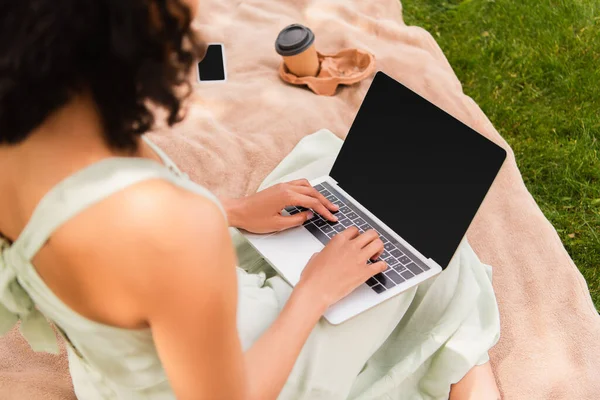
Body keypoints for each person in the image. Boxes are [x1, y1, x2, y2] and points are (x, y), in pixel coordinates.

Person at [0, 1, 502, 399]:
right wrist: (315, 291)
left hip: (124, 372)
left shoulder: (21, 141)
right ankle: (468, 372)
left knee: (322, 166)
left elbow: (108, 249)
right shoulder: (168, 225)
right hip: (248, 370)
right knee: (431, 248)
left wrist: (235, 212)